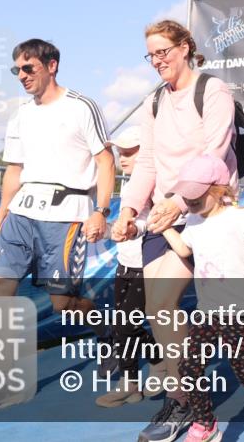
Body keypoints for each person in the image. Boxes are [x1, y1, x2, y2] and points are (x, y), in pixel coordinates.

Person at [0, 38, 115, 419]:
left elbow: (106, 161)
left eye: (28, 68)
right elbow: (14, 171)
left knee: (65, 306)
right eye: (17, 70)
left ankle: (109, 332)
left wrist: (101, 210)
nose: (22, 76)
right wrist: (1, 223)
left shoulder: (81, 107)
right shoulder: (20, 116)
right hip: (22, 212)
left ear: (52, 65)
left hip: (67, 212)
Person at [110, 19, 238, 442]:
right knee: (159, 307)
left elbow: (214, 153)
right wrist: (129, 209)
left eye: (164, 50)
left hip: (206, 212)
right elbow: (145, 163)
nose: (158, 60)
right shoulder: (153, 103)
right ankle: (186, 401)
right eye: (151, 54)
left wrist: (177, 202)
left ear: (185, 48)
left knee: (227, 321)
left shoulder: (213, 91)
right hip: (164, 215)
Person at [156, 155, 244, 442]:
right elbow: (184, 249)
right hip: (206, 311)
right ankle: (205, 425)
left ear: (218, 190)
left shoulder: (240, 217)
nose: (189, 201)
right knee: (190, 366)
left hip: (238, 311)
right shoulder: (192, 220)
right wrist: (163, 227)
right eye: (186, 195)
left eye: (196, 195)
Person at [95, 125, 164, 406]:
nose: (122, 158)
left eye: (130, 152)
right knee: (123, 324)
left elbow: (156, 221)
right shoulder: (128, 183)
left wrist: (134, 229)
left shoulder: (155, 183)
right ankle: (132, 382)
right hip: (125, 263)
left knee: (124, 325)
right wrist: (107, 229)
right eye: (120, 152)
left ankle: (157, 363)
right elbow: (125, 225)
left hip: (147, 265)